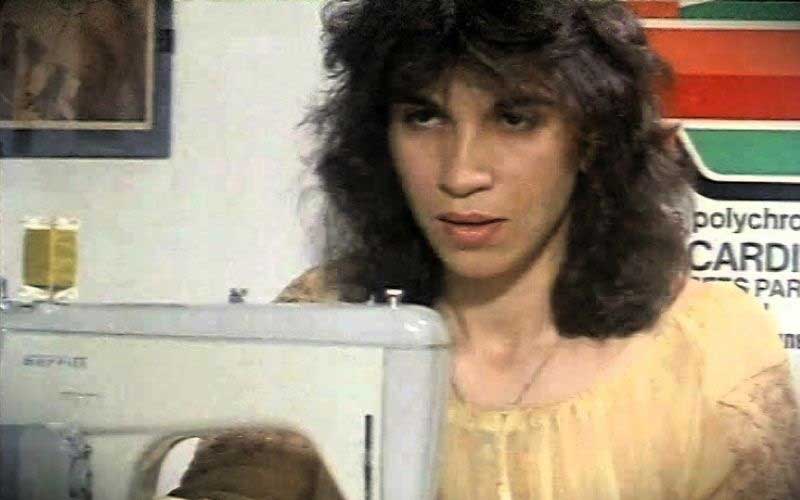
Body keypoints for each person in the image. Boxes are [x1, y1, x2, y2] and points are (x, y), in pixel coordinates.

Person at [171, 0, 800, 498]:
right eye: (424, 117)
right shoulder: (324, 323)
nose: (460, 173)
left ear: (590, 138)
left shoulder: (712, 350)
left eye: (514, 118)